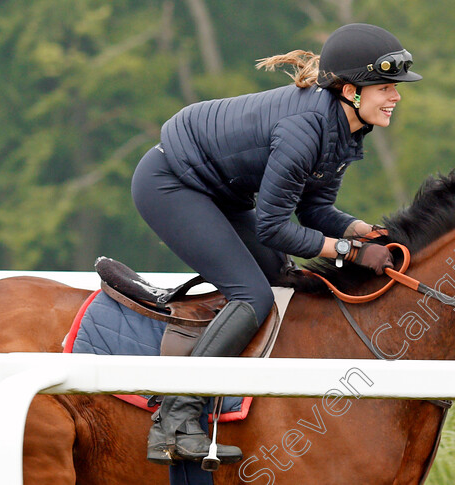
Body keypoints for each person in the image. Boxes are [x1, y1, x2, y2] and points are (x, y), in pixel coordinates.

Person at [131, 23, 422, 465]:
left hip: (221, 191)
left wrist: (364, 231)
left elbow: (315, 212)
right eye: (386, 87)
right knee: (253, 294)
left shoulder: (345, 126)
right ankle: (174, 421)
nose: (396, 96)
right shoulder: (306, 129)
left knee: (285, 278)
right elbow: (273, 228)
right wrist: (348, 252)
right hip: (171, 184)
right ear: (349, 90)